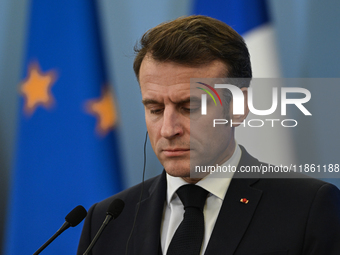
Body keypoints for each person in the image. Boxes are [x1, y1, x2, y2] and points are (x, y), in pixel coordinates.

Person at [77, 15, 340, 255]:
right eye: (155, 109)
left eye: (189, 107)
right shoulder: (106, 220)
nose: (168, 130)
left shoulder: (307, 209)